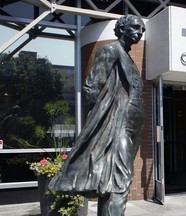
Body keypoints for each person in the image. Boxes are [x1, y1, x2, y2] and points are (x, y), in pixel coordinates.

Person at [48, 15, 146, 216]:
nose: (139, 33)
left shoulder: (129, 58)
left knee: (114, 179)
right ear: (121, 29)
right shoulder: (110, 50)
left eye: (142, 30)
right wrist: (100, 122)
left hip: (131, 126)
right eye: (135, 28)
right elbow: (91, 88)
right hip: (115, 124)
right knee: (120, 179)